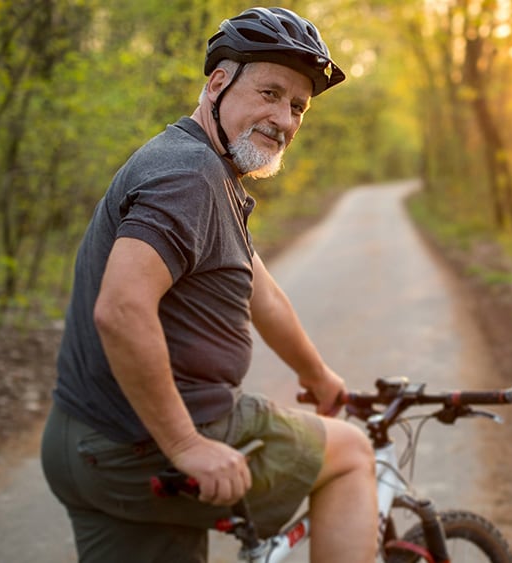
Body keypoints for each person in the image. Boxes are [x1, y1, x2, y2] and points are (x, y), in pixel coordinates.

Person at [40, 7, 377, 563]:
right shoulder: (190, 177)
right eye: (270, 92)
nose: (285, 119)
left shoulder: (202, 169)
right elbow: (121, 309)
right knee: (350, 454)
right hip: (143, 445)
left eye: (298, 106)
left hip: (83, 445)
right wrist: (186, 445)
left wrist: (319, 377)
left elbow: (258, 291)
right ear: (219, 83)